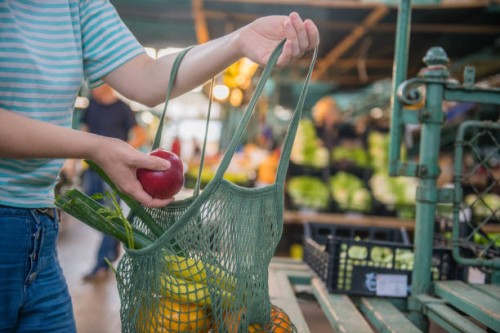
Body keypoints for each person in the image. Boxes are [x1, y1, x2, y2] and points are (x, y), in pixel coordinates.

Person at [0, 1, 319, 331]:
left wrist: (239, 40)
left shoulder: (75, 4)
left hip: (41, 226)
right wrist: (95, 147)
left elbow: (147, 78)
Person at [80, 84, 146, 282]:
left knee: (107, 216)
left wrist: (120, 152)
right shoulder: (91, 106)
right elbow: (84, 132)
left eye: (95, 83)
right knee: (91, 211)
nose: (92, 88)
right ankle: (115, 236)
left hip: (113, 173)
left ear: (107, 83)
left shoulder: (123, 108)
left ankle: (100, 264)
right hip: (91, 169)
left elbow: (141, 135)